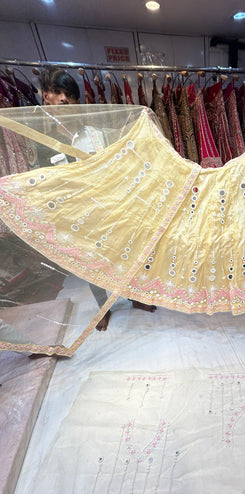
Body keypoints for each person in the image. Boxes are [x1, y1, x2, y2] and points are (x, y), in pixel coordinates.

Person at [39, 67, 156, 330]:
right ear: (45, 96)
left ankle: (134, 297)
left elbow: (112, 165)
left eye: (68, 93)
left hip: (106, 207)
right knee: (89, 262)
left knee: (123, 254)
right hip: (74, 211)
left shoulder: (93, 133)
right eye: (56, 92)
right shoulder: (43, 140)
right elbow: (44, 180)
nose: (63, 99)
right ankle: (104, 306)